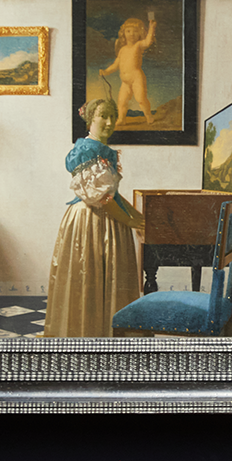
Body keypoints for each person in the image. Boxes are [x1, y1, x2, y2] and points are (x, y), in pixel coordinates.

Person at [42, 97, 144, 337]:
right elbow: (99, 197)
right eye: (103, 116)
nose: (109, 122)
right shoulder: (87, 150)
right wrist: (128, 221)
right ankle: (88, 335)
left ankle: (107, 333)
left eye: (113, 117)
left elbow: (112, 194)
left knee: (105, 278)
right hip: (90, 220)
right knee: (88, 277)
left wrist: (136, 214)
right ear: (90, 119)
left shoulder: (101, 150)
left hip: (106, 217)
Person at [100, 10, 157, 123]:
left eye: (135, 31)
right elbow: (116, 64)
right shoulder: (122, 50)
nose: (131, 34)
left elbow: (148, 41)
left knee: (141, 99)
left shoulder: (138, 45)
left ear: (139, 33)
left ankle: (149, 116)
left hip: (136, 78)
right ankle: (121, 119)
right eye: (128, 31)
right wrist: (106, 71)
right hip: (125, 81)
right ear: (123, 33)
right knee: (121, 101)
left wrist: (152, 28)